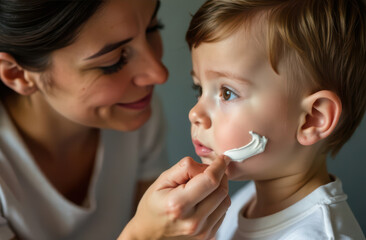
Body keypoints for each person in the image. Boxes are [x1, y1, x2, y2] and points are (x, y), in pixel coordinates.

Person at [0, 0, 231, 239]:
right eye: (114, 60)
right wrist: (142, 235)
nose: (159, 74)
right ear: (18, 74)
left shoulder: (133, 115)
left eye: (153, 29)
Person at [185, 0, 366, 239]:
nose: (194, 113)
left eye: (227, 93)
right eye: (198, 88)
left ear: (312, 119)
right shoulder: (242, 201)